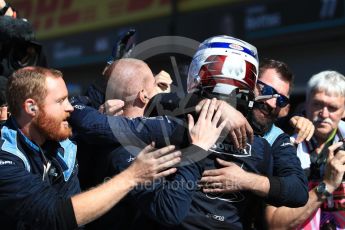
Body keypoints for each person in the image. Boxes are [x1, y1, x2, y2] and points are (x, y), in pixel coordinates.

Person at [0, 66, 187, 229]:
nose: (70, 107)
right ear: (31, 108)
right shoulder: (5, 155)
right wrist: (132, 176)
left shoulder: (62, 141)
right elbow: (54, 215)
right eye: (60, 101)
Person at [265, 70, 345, 229]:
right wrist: (327, 185)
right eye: (317, 104)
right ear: (306, 103)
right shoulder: (285, 144)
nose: (324, 113)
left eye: (333, 107)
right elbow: (274, 224)